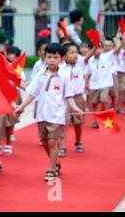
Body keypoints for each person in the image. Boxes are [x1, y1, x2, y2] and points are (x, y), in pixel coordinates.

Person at [15, 43, 83, 181]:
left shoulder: (64, 76)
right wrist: (21, 106)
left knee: (52, 141)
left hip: (57, 114)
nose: (52, 60)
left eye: (55, 57)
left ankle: (51, 169)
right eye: (49, 56)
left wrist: (75, 108)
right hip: (42, 114)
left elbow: (68, 95)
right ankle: (56, 162)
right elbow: (32, 94)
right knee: (45, 142)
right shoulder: (40, 75)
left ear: (61, 59)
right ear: (44, 57)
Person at [58, 43, 96, 157]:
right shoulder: (60, 68)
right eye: (72, 52)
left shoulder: (81, 64)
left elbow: (88, 56)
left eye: (76, 52)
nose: (75, 55)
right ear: (64, 56)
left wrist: (95, 46)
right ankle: (63, 146)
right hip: (64, 99)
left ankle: (78, 141)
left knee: (78, 123)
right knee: (63, 122)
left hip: (78, 97)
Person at [86, 38, 122, 128]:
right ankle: (95, 121)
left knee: (104, 100)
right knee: (94, 104)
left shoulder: (107, 56)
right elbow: (87, 73)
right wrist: (85, 83)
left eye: (99, 48)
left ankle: (106, 119)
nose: (97, 50)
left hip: (105, 83)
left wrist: (122, 40)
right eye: (95, 49)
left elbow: (117, 48)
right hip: (94, 85)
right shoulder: (90, 60)